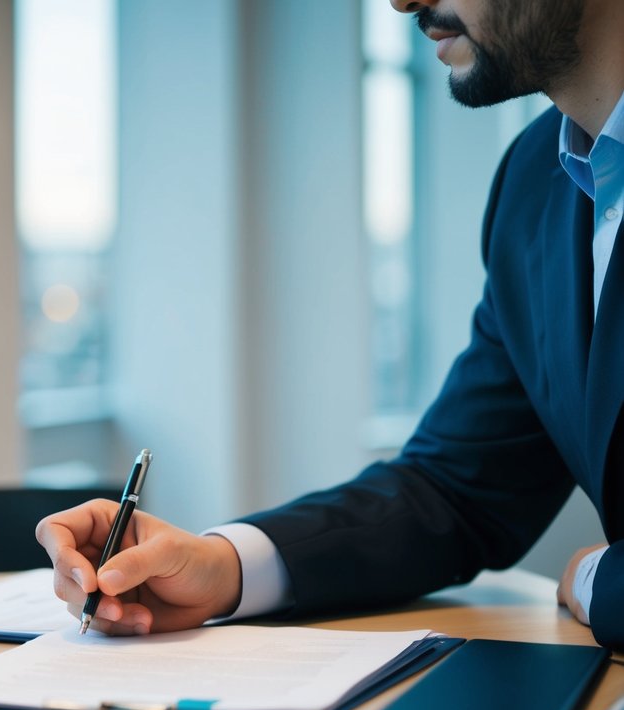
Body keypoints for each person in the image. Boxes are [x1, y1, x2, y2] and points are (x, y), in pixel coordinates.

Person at [37, 0, 624, 650]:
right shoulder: (533, 181)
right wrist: (219, 567)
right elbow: (458, 490)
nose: (400, 1)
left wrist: (599, 580)